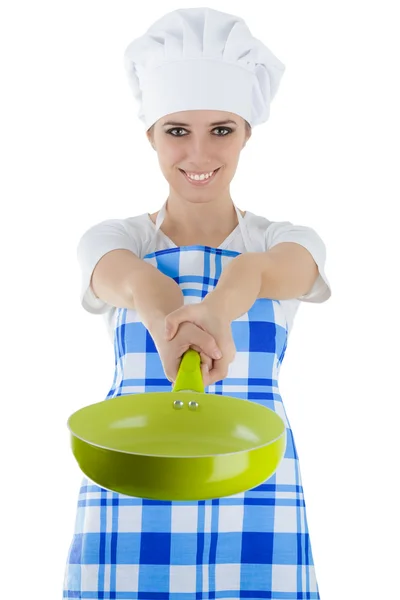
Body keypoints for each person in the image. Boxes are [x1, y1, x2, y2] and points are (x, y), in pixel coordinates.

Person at [63, 7, 331, 599]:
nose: (199, 154)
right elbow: (133, 283)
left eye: (222, 130)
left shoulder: (284, 242)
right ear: (152, 136)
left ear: (247, 133)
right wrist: (171, 322)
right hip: (132, 486)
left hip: (256, 490)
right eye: (177, 130)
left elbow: (263, 272)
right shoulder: (114, 240)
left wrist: (217, 310)